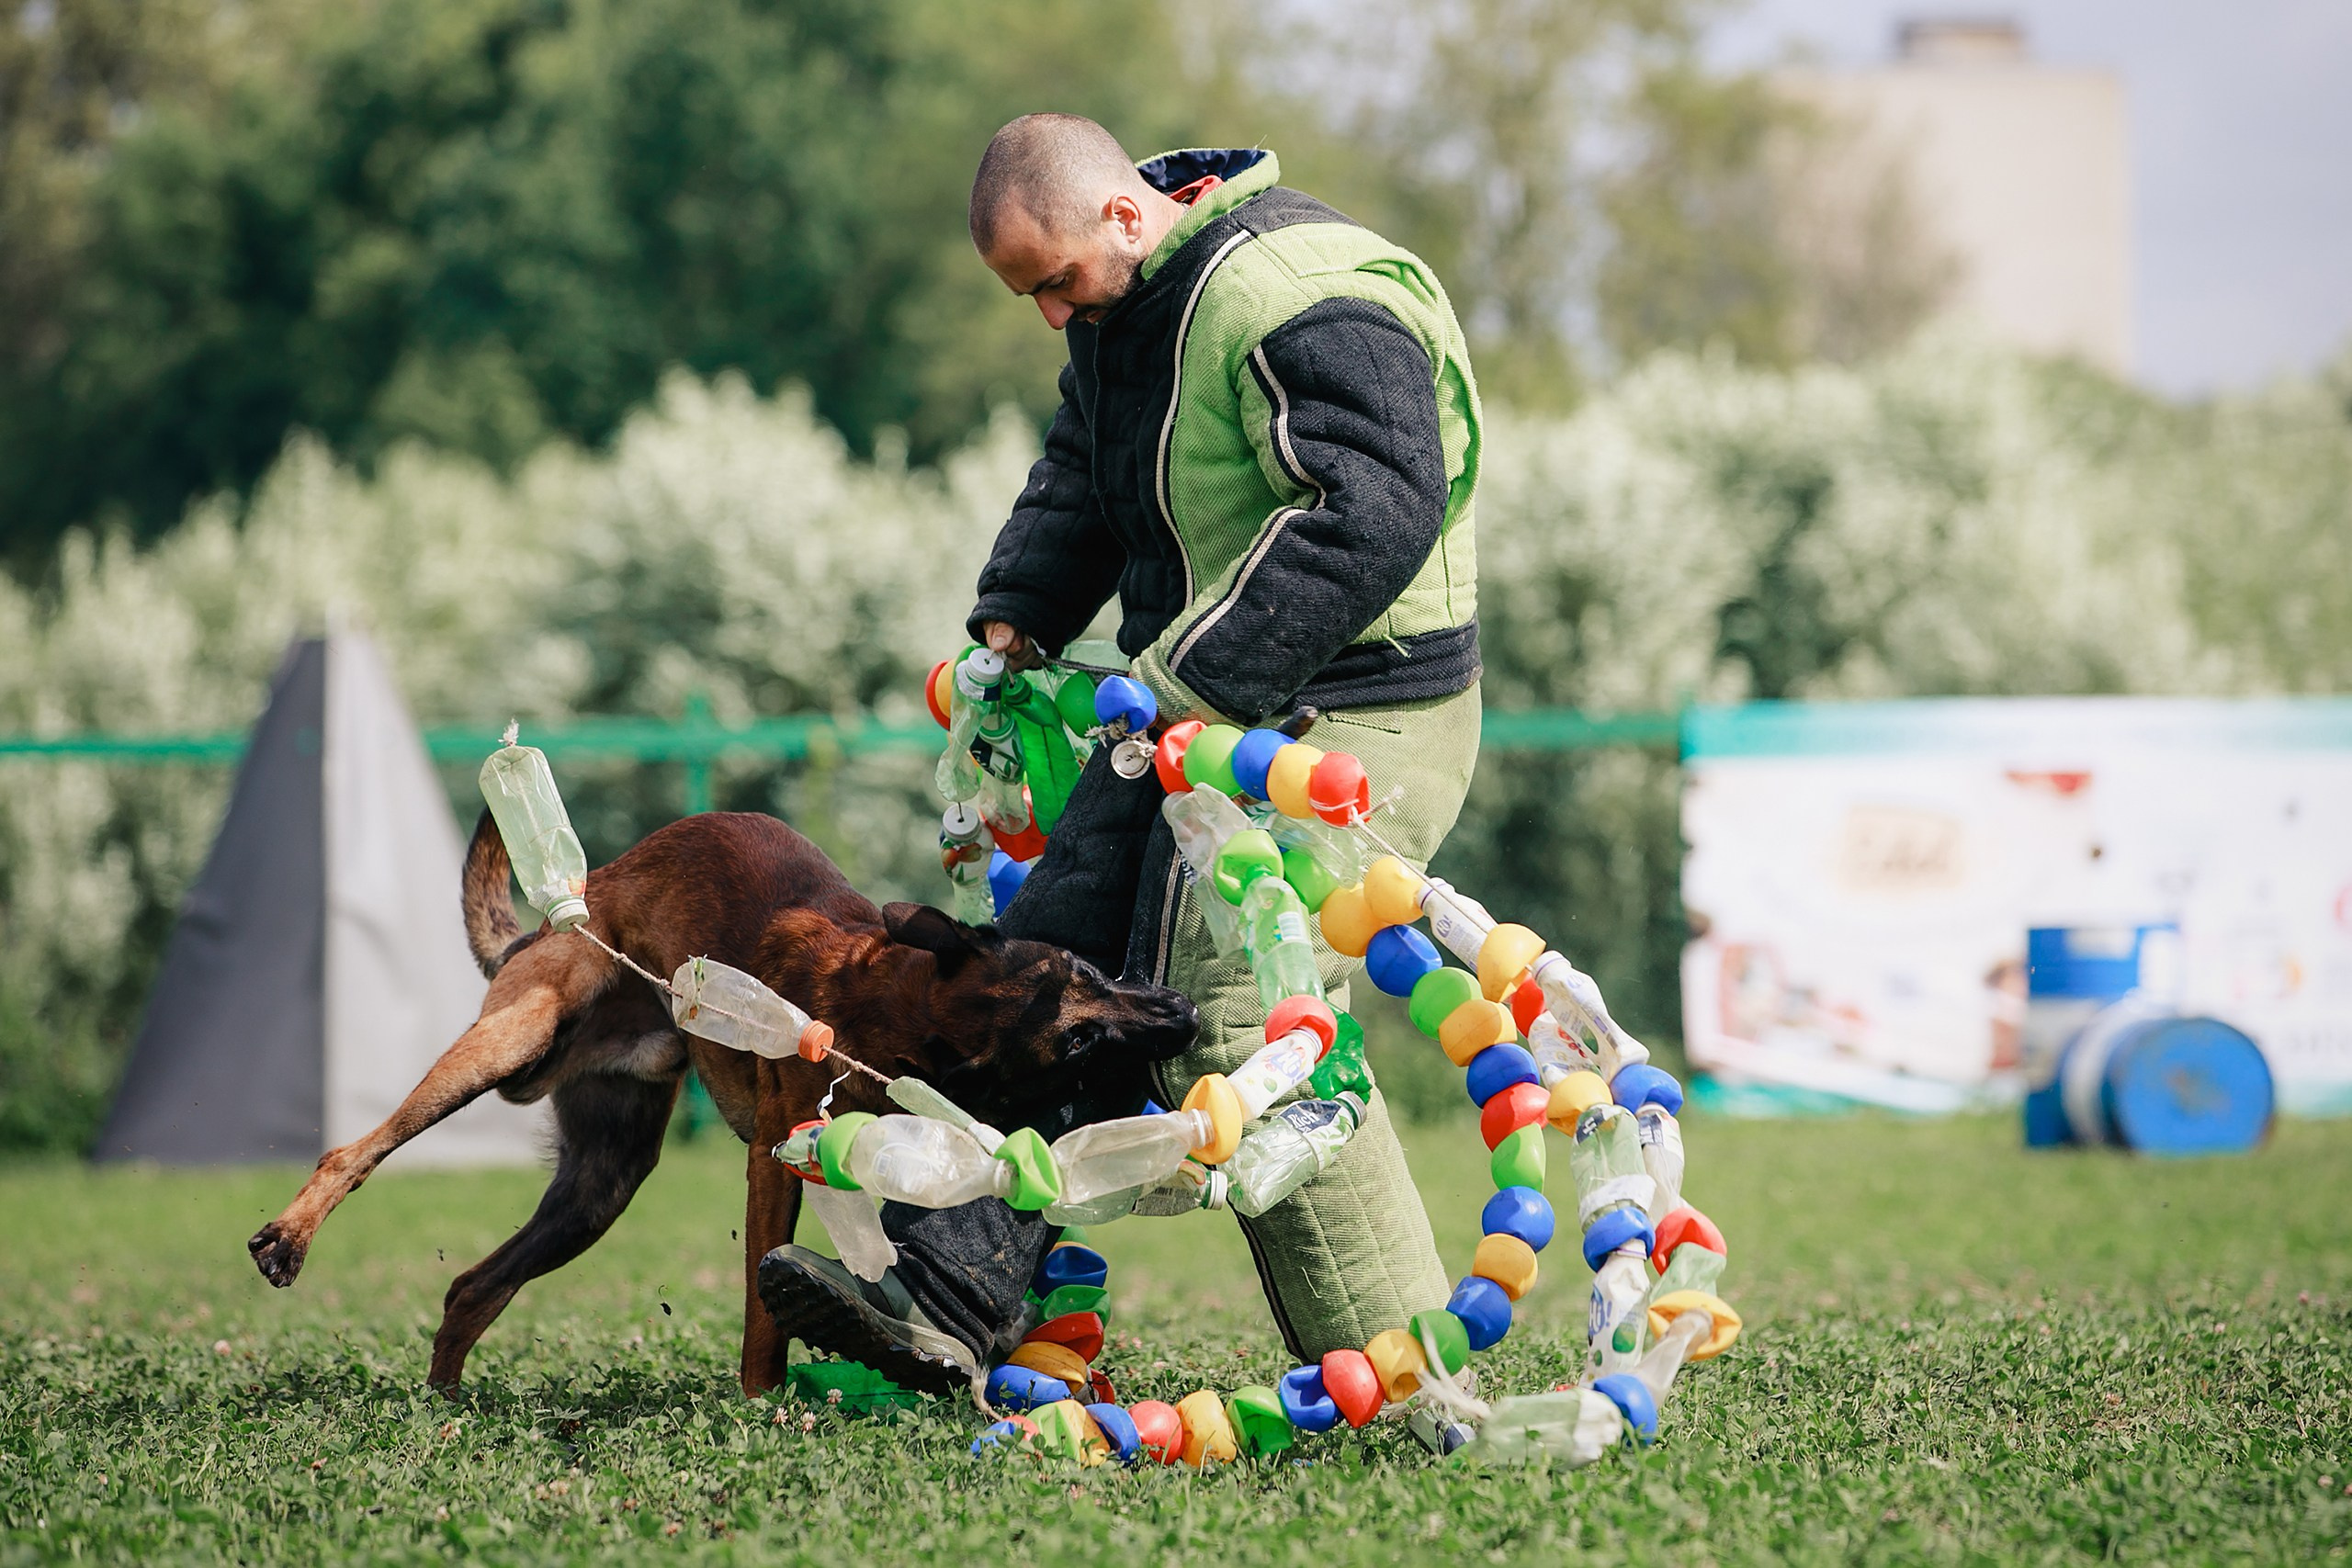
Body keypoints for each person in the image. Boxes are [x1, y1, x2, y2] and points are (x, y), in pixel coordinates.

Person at [760, 112, 1485, 1391]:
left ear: (1123, 216)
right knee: (1036, 966)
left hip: (1362, 714)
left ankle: (1408, 1379)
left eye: (1054, 282)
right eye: (1025, 295)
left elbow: (1376, 504)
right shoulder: (1121, 313)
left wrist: (1192, 682)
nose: (1049, 315)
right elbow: (1086, 476)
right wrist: (1017, 617)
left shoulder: (1298, 296)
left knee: (1228, 1018)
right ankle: (945, 1300)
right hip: (1194, 715)